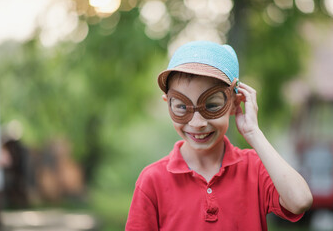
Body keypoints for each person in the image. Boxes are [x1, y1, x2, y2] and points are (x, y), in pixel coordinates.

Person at [125, 41, 313, 230]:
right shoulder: (152, 180)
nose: (197, 123)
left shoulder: (255, 168)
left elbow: (300, 201)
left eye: (212, 106)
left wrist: (253, 132)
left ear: (234, 103)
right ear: (168, 104)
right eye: (182, 107)